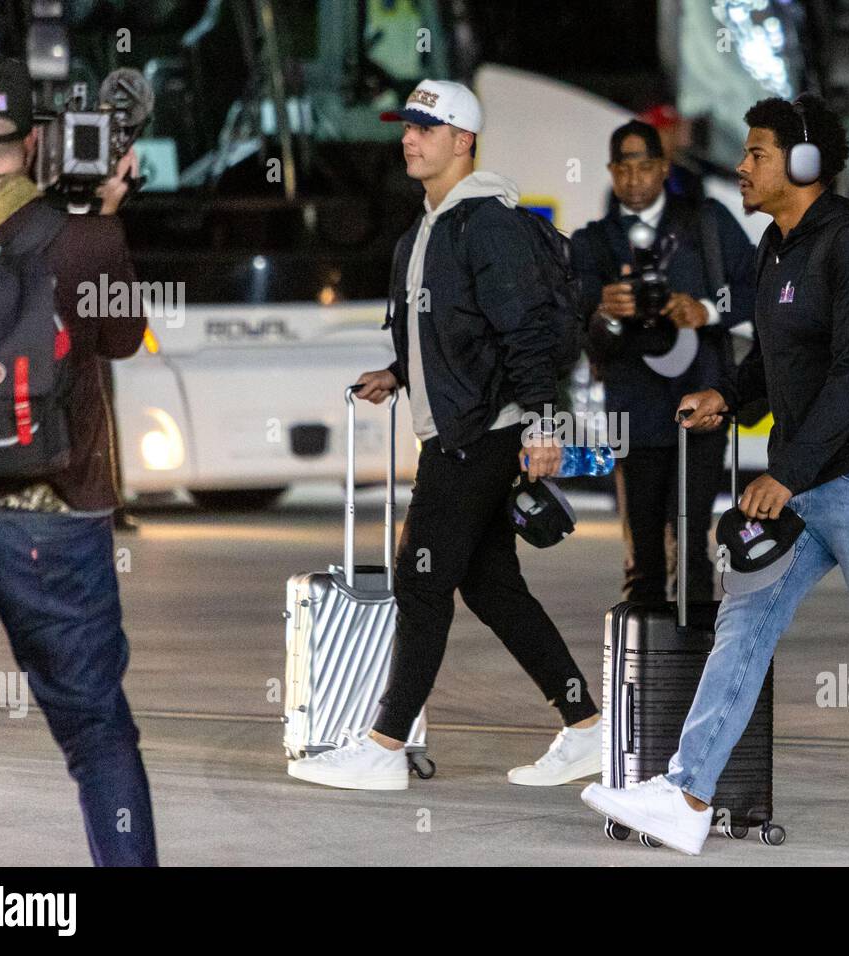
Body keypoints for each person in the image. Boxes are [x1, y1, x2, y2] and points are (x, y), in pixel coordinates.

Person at [581, 94, 849, 858]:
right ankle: (686, 795)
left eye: (758, 153)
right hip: (808, 483)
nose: (741, 166)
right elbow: (777, 359)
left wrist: (787, 473)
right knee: (744, 623)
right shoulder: (776, 244)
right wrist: (728, 397)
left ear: (803, 163)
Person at [289, 79, 601, 791]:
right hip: (464, 429)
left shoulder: (486, 222)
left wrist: (543, 422)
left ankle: (384, 746)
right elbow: (456, 332)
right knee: (492, 587)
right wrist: (400, 373)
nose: (409, 138)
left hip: (480, 435)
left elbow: (525, 331)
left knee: (421, 581)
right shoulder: (425, 231)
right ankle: (586, 725)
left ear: (464, 140)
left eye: (426, 128)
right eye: (406, 127)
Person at [0, 53, 155, 866]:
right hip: (58, 519)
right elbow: (125, 338)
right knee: (97, 735)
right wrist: (109, 213)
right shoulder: (85, 236)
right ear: (32, 142)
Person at [571, 119, 754, 603]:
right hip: (632, 407)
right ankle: (642, 661)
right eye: (624, 169)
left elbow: (757, 285)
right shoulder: (591, 243)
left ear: (663, 168)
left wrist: (706, 309)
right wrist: (604, 310)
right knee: (642, 551)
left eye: (645, 167)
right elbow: (566, 318)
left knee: (694, 539)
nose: (634, 181)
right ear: (611, 172)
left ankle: (697, 659)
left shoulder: (707, 222)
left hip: (702, 401)